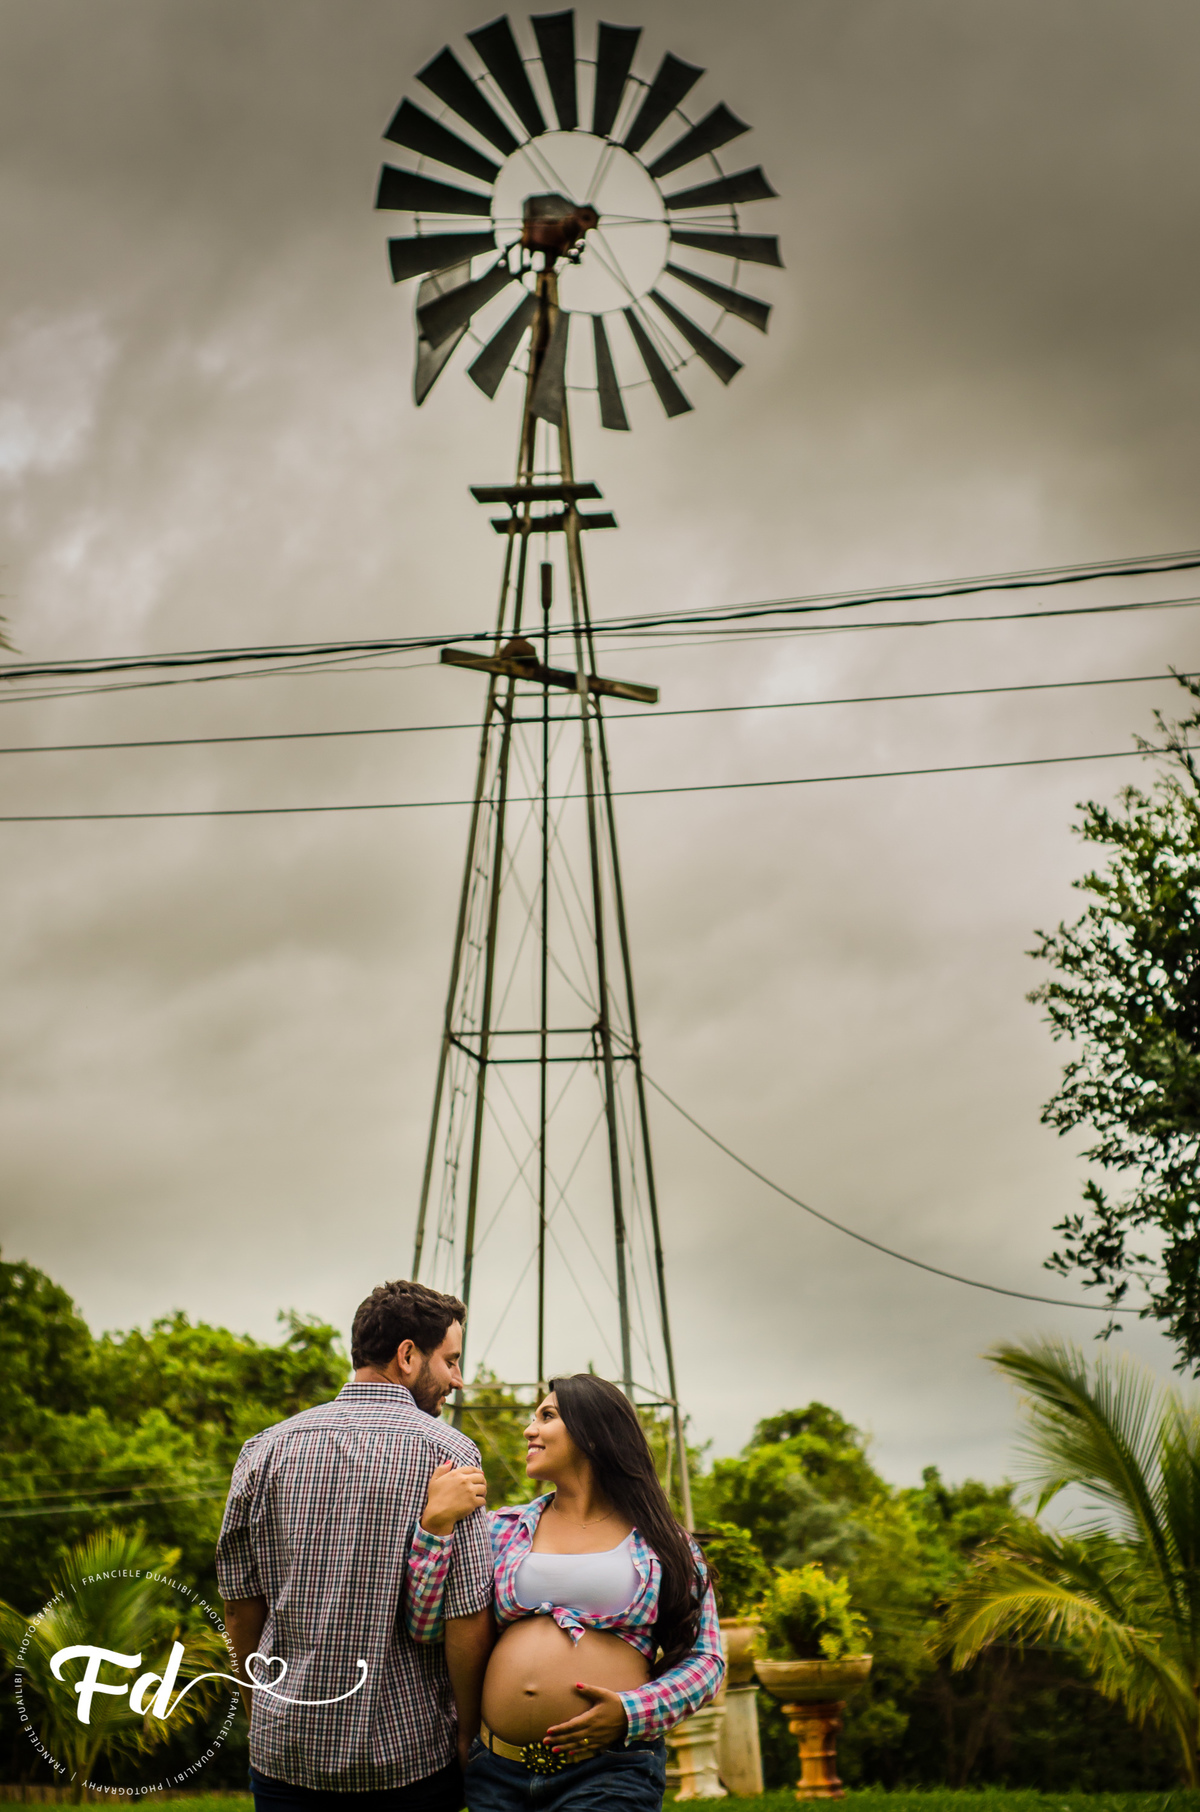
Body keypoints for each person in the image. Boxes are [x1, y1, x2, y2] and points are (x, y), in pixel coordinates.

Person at [216, 1280, 494, 1812]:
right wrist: (467, 1734)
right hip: (409, 1760)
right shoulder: (450, 1453)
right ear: (408, 1356)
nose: (458, 1380)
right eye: (451, 1361)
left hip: (285, 1754)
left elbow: (239, 1606)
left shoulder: (263, 1451)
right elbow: (466, 1616)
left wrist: (261, 1714)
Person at [404, 1374, 724, 1812]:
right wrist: (435, 1527)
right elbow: (425, 1624)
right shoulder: (500, 1529)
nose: (528, 1429)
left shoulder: (665, 1544)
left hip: (608, 1770)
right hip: (498, 1771)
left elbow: (706, 1660)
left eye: (547, 1416)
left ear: (593, 1433)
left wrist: (632, 1712)